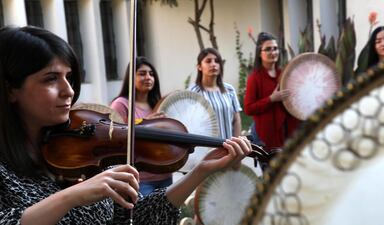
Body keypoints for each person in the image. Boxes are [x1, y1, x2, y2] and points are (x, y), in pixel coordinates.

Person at [0, 25, 252, 225]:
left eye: (69, 77)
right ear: (11, 89)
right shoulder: (5, 170)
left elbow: (137, 217)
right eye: (50, 79)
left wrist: (200, 172)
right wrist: (72, 195)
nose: (68, 91)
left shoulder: (80, 150)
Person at [110, 57, 171, 196]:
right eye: (142, 73)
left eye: (151, 74)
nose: (148, 77)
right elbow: (114, 134)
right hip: (140, 178)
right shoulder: (121, 104)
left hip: (164, 173)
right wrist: (144, 123)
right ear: (131, 77)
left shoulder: (158, 104)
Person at [244, 32, 299, 153]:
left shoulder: (285, 73)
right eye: (268, 49)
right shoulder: (255, 78)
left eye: (275, 48)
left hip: (289, 135)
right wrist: (271, 99)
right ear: (260, 53)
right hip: (266, 137)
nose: (273, 52)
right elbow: (248, 109)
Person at [188, 47, 242, 139]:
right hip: (206, 149)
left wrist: (236, 142)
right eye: (208, 61)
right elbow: (189, 124)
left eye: (217, 61)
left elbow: (236, 120)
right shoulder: (193, 92)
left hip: (229, 147)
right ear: (199, 67)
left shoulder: (229, 89)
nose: (213, 64)